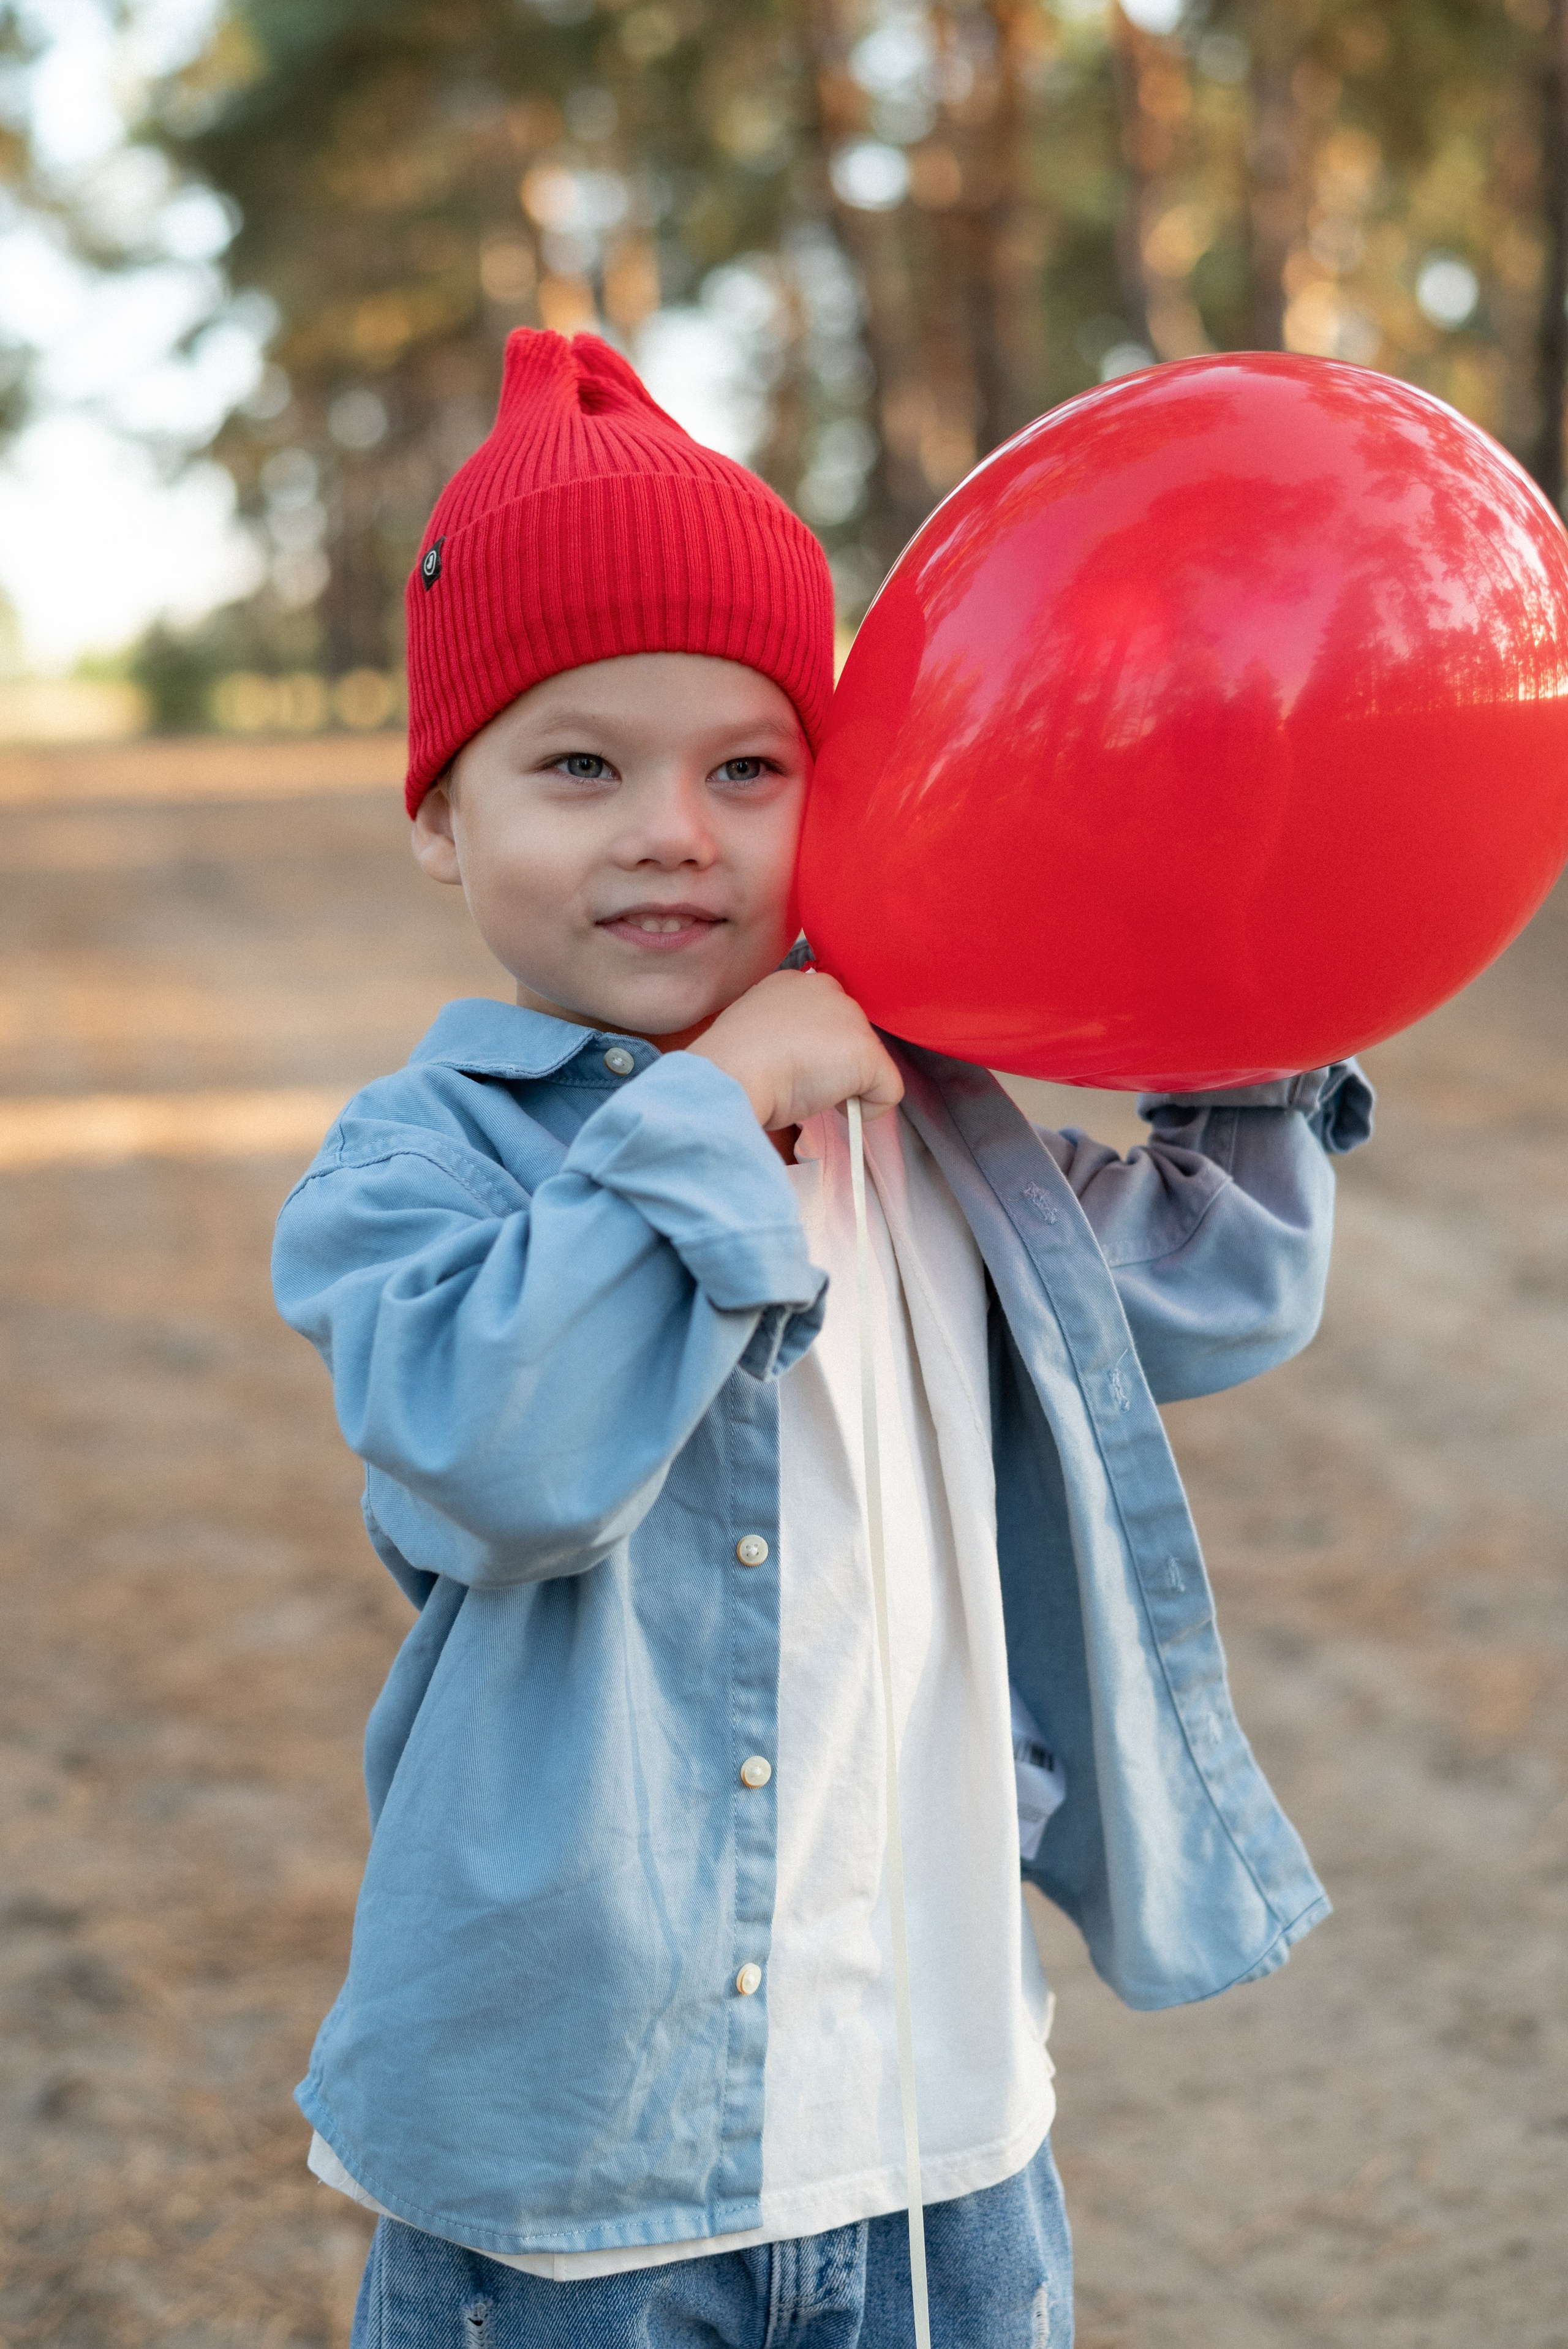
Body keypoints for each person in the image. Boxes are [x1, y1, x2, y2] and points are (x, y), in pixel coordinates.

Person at [272, 328, 1373, 2349]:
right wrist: (709, 1110)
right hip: (575, 2183)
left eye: (748, 765)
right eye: (580, 763)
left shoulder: (922, 1115)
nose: (674, 829)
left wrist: (1270, 969)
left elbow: (1215, 1291)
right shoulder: (420, 1165)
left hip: (938, 2131)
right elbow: (502, 1458)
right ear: (442, 814)